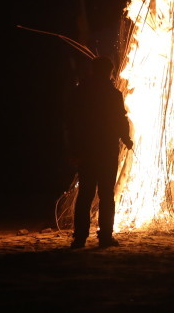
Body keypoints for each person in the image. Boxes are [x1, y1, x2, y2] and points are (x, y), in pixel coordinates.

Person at [65, 56, 133, 249]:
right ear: (109, 71)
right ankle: (104, 236)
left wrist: (74, 147)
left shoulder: (81, 92)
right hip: (105, 151)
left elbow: (71, 122)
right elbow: (120, 119)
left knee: (86, 193)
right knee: (105, 194)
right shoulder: (113, 94)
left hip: (88, 150)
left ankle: (80, 238)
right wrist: (126, 139)